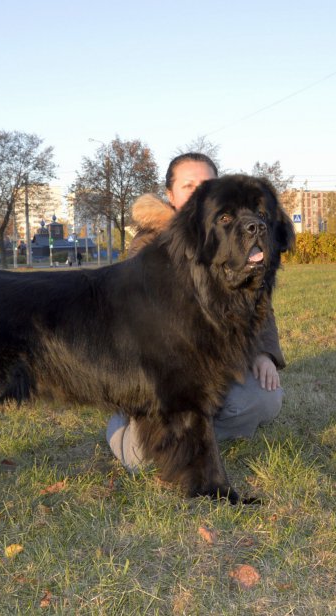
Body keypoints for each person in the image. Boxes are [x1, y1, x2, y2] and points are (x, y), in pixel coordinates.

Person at [106, 153, 286, 471]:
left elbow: (258, 302)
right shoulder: (146, 246)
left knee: (265, 400)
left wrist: (264, 353)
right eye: (188, 185)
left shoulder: (233, 238)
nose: (199, 192)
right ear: (171, 196)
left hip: (215, 374)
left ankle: (195, 432)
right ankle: (141, 427)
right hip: (160, 382)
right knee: (138, 456)